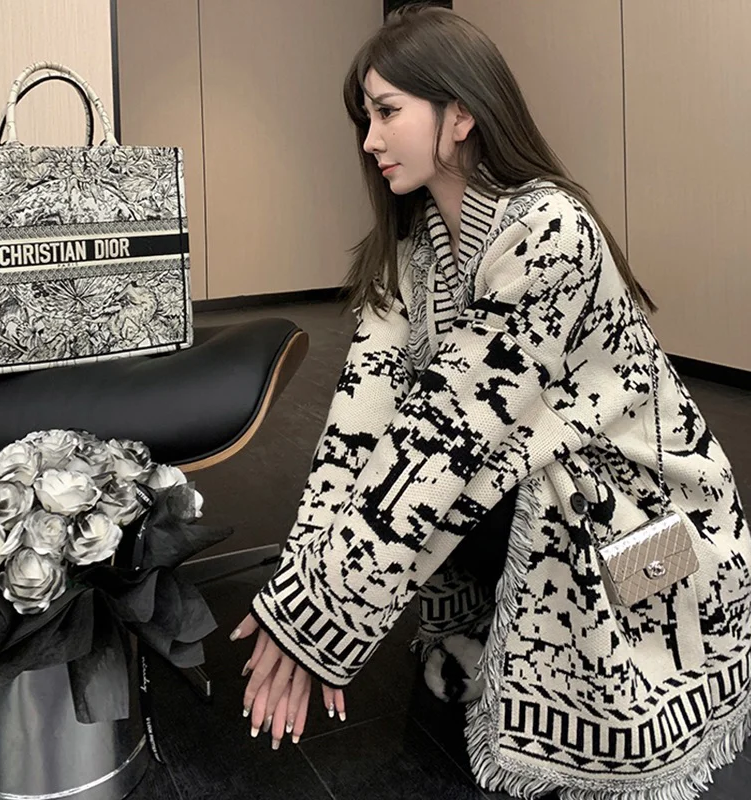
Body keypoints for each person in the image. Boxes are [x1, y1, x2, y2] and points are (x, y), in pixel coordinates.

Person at [230, 5, 751, 798]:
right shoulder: (412, 252)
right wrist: (302, 596)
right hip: (542, 485)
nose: (369, 140)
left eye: (387, 112)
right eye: (366, 117)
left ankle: (606, 688)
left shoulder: (550, 230)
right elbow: (355, 431)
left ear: (461, 113)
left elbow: (445, 437)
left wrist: (313, 619)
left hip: (661, 534)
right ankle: (492, 632)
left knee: (455, 472)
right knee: (422, 471)